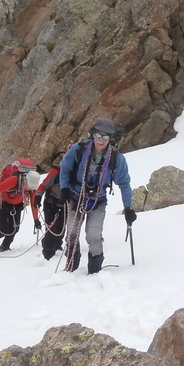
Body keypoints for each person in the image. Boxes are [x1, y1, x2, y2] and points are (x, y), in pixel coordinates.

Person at [59, 117, 136, 274]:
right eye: (98, 135)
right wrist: (64, 188)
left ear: (110, 138)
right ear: (92, 134)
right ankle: (72, 263)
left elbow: (124, 183)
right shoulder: (79, 149)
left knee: (94, 236)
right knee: (71, 232)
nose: (101, 140)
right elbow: (65, 168)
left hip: (97, 200)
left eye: (105, 136)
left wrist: (128, 208)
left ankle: (95, 269)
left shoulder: (116, 158)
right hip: (75, 196)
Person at [0, 158, 39, 252]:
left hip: (17, 206)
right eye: (29, 186)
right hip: (1, 204)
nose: (29, 189)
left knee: (15, 228)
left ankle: (5, 247)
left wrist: (36, 220)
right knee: (3, 230)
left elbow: (34, 203)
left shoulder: (32, 188)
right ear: (26, 180)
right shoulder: (14, 180)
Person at [34, 160, 65, 260]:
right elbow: (43, 186)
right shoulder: (56, 172)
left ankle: (57, 246)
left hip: (65, 205)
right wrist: (38, 196)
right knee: (51, 229)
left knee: (61, 228)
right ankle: (48, 253)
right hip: (51, 204)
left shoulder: (77, 172)